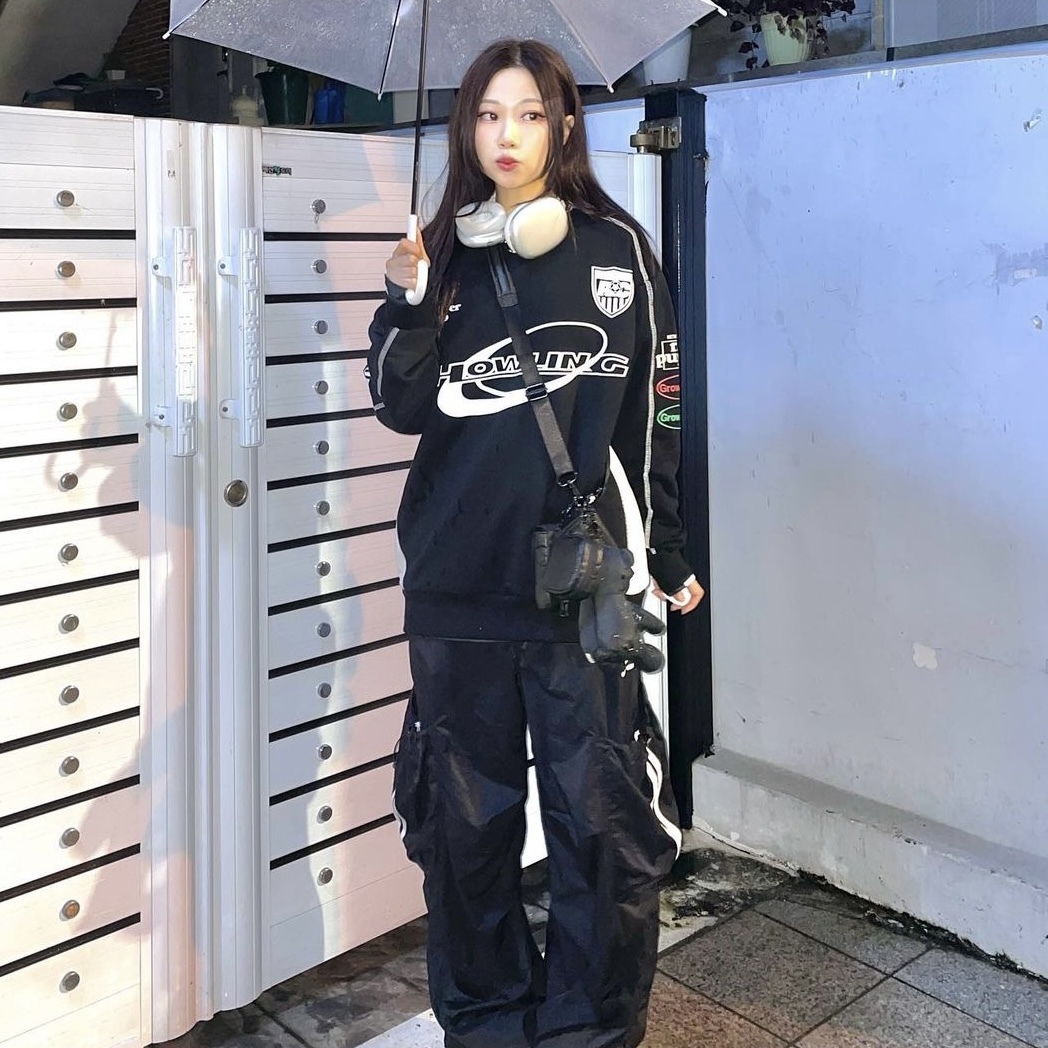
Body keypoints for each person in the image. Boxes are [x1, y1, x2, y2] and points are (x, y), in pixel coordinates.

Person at [366, 38, 705, 1048]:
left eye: (527, 114)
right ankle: (484, 1026)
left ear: (563, 124)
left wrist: (669, 550)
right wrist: (404, 302)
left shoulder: (617, 250)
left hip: (582, 593)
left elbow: (657, 415)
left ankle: (588, 1035)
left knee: (601, 829)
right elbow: (398, 409)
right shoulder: (439, 252)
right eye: (486, 115)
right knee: (462, 832)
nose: (505, 136)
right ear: (465, 128)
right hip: (456, 588)